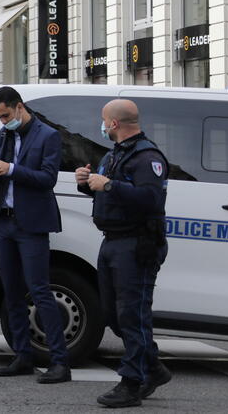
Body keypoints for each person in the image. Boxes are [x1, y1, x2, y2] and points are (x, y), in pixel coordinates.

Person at [76, 99, 170, 408]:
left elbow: (150, 199)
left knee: (133, 315)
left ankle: (131, 384)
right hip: (113, 241)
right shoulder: (115, 154)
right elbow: (108, 189)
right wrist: (88, 184)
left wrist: (109, 186)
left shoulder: (147, 157)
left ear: (114, 124)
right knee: (113, 314)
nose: (101, 126)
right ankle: (153, 368)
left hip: (136, 244)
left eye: (104, 120)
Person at [0, 86, 71, 384]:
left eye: (6, 115)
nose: (4, 122)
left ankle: (60, 362)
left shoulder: (48, 135)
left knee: (40, 290)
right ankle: (22, 356)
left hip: (31, 225)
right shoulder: (7, 133)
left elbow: (48, 179)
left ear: (19, 107)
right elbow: (3, 169)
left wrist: (11, 169)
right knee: (12, 291)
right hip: (4, 222)